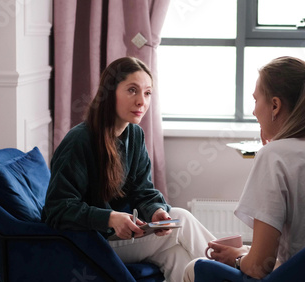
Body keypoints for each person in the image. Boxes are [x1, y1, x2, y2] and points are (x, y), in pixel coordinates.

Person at [184, 56, 305, 280]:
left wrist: (238, 260)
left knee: (193, 268)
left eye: (256, 101)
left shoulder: (274, 155)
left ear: (275, 105)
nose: (254, 112)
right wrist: (244, 253)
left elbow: (257, 268)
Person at [42, 56, 215, 282]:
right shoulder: (80, 141)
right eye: (132, 90)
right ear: (110, 92)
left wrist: (155, 211)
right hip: (90, 242)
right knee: (181, 221)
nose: (141, 101)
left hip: (116, 237)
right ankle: (229, 271)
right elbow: (57, 208)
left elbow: (142, 190)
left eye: (147, 93)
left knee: (176, 255)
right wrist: (109, 218)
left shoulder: (134, 134)